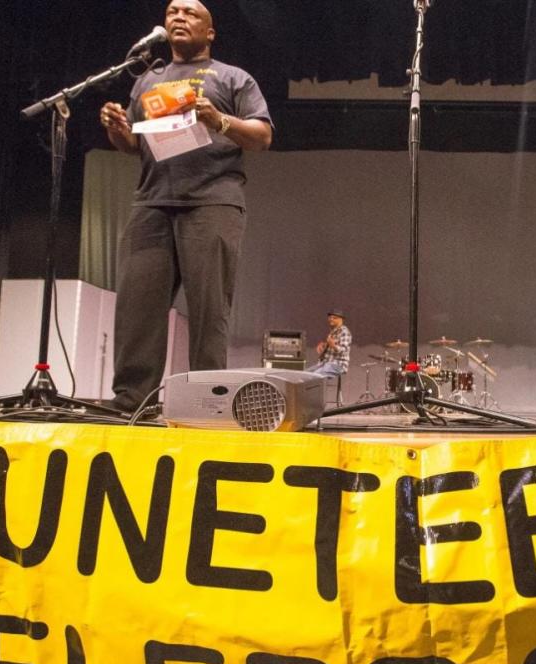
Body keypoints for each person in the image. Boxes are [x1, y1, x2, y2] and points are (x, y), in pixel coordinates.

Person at [99, 0, 273, 411]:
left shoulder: (233, 78)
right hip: (152, 202)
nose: (178, 16)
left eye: (190, 13)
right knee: (137, 306)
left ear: (210, 32)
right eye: (172, 11)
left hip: (212, 201)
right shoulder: (146, 80)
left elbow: (262, 136)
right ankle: (131, 398)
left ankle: (207, 400)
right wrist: (117, 129)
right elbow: (133, 147)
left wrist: (219, 120)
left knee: (208, 307)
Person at [308, 310, 351, 378]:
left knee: (314, 376)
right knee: (306, 374)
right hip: (326, 363)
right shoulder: (333, 331)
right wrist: (324, 345)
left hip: (338, 364)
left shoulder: (344, 332)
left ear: (341, 319)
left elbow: (344, 350)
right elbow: (331, 346)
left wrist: (333, 345)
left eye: (334, 318)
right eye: (330, 318)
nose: (331, 319)